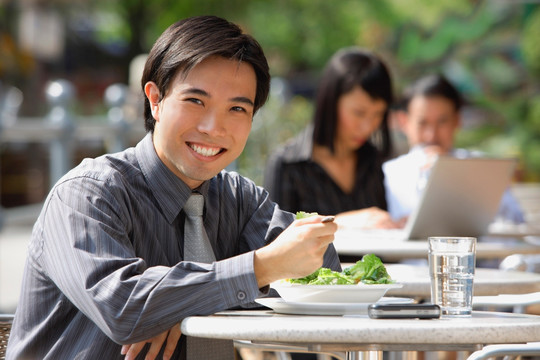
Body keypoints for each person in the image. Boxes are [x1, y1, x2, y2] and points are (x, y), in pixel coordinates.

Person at [6, 15, 340, 360]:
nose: (213, 127)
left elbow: (322, 271)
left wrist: (180, 303)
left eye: (237, 108)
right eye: (195, 101)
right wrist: (256, 270)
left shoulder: (241, 199)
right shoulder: (87, 195)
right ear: (155, 99)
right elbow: (125, 309)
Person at [264, 47, 402, 230]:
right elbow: (275, 241)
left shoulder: (373, 160)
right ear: (330, 103)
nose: (368, 126)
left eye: (378, 114)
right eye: (359, 113)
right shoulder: (287, 164)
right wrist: (340, 222)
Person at [383, 74, 524, 224]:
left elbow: (515, 221)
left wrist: (454, 172)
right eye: (422, 123)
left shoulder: (481, 166)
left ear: (457, 120)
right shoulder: (388, 172)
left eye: (442, 122)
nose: (431, 135)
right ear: (404, 122)